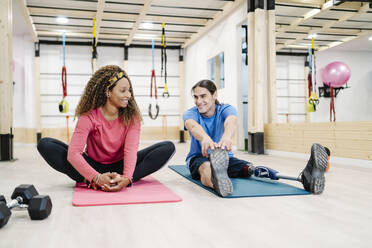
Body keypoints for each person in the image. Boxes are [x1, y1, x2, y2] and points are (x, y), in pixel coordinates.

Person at [37, 65, 175, 192]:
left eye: (129, 90)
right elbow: (74, 153)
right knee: (46, 145)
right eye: (123, 90)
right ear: (108, 92)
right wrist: (95, 177)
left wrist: (127, 177)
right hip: (92, 165)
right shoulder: (88, 116)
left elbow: (130, 151)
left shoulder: (132, 117)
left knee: (167, 147)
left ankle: (118, 180)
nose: (129, 95)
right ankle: (90, 178)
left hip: (121, 166)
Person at [182, 79, 330, 197]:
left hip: (225, 158)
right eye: (195, 97)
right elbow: (193, 126)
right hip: (199, 158)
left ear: (214, 95)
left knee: (251, 169)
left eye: (203, 96)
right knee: (206, 168)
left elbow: (231, 121)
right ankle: (218, 183)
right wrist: (205, 139)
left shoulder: (226, 109)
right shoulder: (190, 113)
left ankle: (304, 178)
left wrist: (227, 137)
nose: (198, 101)